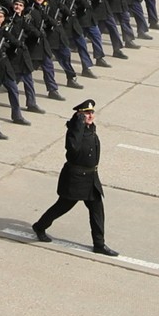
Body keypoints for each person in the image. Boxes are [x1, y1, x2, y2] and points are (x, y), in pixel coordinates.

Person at [31, 100, 117, 256]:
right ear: (79, 115)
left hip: (91, 178)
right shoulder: (74, 131)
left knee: (97, 210)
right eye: (86, 113)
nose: (90, 115)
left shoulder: (90, 129)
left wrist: (86, 125)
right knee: (62, 206)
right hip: (76, 178)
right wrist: (78, 125)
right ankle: (40, 226)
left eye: (92, 112)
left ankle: (99, 244)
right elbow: (73, 149)